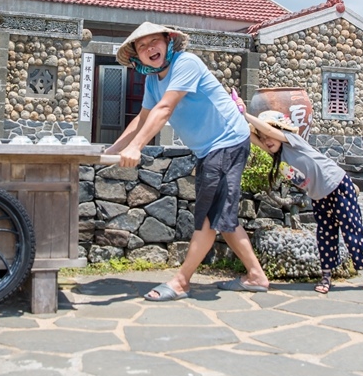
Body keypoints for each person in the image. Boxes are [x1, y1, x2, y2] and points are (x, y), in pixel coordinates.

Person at [105, 22, 269, 301]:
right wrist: (114, 149)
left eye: (154, 41)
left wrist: (136, 147)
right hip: (211, 149)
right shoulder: (152, 81)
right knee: (221, 215)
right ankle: (256, 275)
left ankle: (181, 281)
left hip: (227, 141)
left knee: (207, 216)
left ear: (169, 42)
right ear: (137, 56)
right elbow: (143, 118)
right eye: (142, 47)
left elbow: (165, 109)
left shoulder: (186, 63)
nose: (149, 49)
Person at [241, 107, 363, 293]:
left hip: (338, 186)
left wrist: (244, 113)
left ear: (280, 131)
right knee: (325, 235)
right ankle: (326, 276)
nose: (266, 140)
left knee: (352, 229)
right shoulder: (276, 155)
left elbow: (268, 131)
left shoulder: (293, 141)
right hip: (319, 195)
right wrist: (236, 117)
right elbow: (256, 137)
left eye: (268, 135)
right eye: (262, 137)